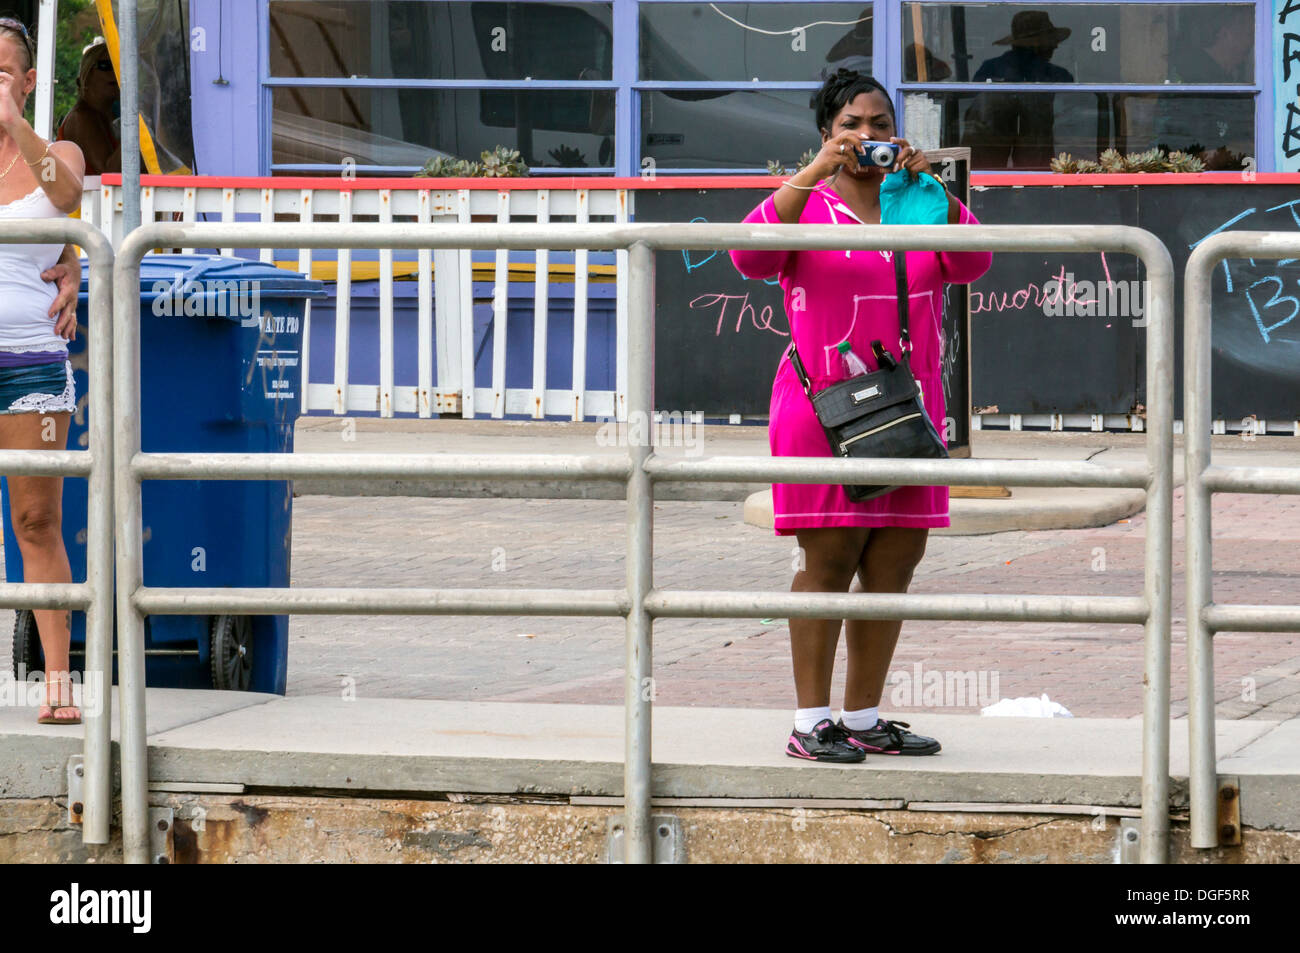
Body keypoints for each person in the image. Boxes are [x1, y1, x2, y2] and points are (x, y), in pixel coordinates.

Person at [729, 69, 991, 762]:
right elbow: (749, 256)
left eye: (879, 124)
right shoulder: (806, 200)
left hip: (908, 407)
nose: (867, 137)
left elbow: (974, 262)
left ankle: (865, 715)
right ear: (825, 132)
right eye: (851, 124)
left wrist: (928, 185)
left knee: (896, 558)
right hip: (822, 406)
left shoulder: (916, 200)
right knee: (829, 557)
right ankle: (811, 720)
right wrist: (812, 173)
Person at [0, 16, 88, 725]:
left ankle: (57, 682)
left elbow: (66, 198)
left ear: (29, 82)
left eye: (4, 72)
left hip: (31, 359)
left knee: (36, 518)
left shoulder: (55, 150)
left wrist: (14, 125)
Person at [963, 11, 1074, 168]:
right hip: (1027, 151)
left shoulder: (990, 68)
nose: (1055, 45)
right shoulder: (1053, 74)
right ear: (1037, 44)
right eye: (1050, 41)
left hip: (990, 150)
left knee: (990, 177)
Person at [56, 37, 120, 176]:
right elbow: (108, 175)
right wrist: (139, 129)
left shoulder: (108, 115)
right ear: (87, 74)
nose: (115, 73)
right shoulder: (81, 117)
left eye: (119, 66)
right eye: (106, 65)